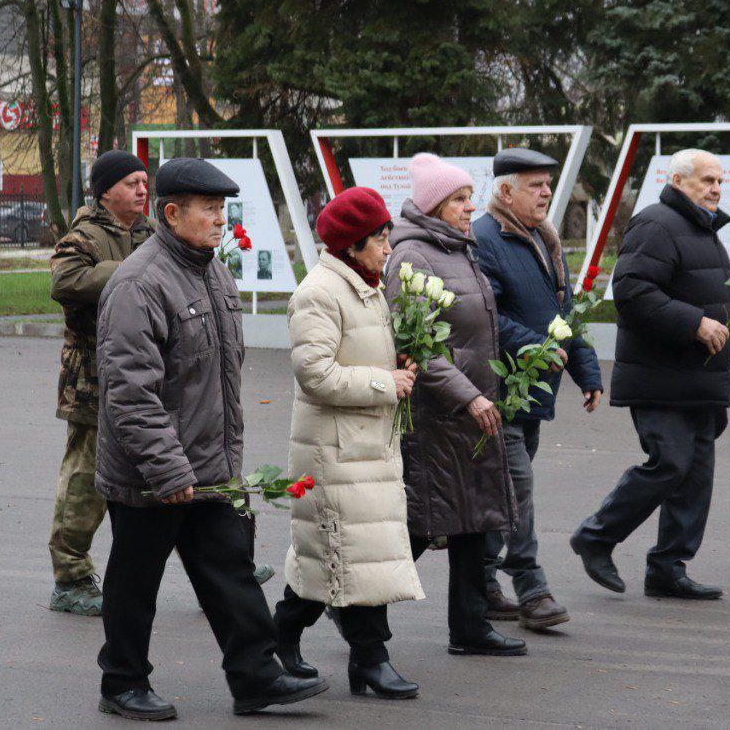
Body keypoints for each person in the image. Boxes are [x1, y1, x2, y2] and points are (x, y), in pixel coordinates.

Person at [94, 157, 327, 720]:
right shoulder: (139, 284)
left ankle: (256, 676)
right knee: (134, 582)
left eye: (224, 209)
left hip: (211, 466)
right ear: (172, 214)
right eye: (210, 210)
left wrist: (221, 463)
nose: (221, 219)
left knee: (231, 570)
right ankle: (122, 683)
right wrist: (170, 471)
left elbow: (217, 378)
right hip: (152, 473)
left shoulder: (213, 272)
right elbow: (130, 393)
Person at [273, 186, 428, 700]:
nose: (389, 249)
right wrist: (387, 384)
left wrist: (399, 365)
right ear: (352, 244)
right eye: (381, 239)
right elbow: (314, 374)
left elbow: (359, 355)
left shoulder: (366, 286)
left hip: (365, 446)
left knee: (338, 554)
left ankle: (281, 635)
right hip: (333, 451)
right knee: (352, 553)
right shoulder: (319, 292)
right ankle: (370, 658)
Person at [571, 149, 730, 601]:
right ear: (678, 180)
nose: (716, 188)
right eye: (706, 180)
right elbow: (631, 292)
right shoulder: (657, 223)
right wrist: (695, 323)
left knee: (696, 473)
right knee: (671, 463)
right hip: (660, 377)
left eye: (719, 181)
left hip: (698, 380)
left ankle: (668, 566)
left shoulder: (704, 230)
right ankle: (597, 536)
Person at [385, 153, 525, 657]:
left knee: (474, 521)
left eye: (469, 197)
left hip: (473, 408)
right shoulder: (411, 256)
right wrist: (468, 396)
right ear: (433, 205)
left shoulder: (457, 249)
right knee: (425, 522)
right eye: (460, 199)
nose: (471, 207)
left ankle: (470, 628)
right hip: (438, 414)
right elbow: (416, 345)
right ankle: (352, 603)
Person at [471, 147, 603, 631]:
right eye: (535, 184)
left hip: (533, 395)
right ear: (505, 191)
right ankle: (531, 587)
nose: (546, 192)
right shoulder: (484, 238)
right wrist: (537, 347)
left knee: (502, 495)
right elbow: (486, 317)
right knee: (518, 488)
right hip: (496, 392)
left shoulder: (542, 237)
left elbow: (562, 314)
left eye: (548, 183)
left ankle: (483, 583)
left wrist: (586, 371)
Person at [47, 149, 152, 616]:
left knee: (169, 467)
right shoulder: (84, 236)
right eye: (132, 183)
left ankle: (220, 560)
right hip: (92, 377)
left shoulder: (152, 234)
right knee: (86, 479)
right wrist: (132, 273)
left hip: (147, 373)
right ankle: (70, 578)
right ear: (106, 190)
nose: (143, 190)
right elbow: (65, 282)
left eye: (145, 183)